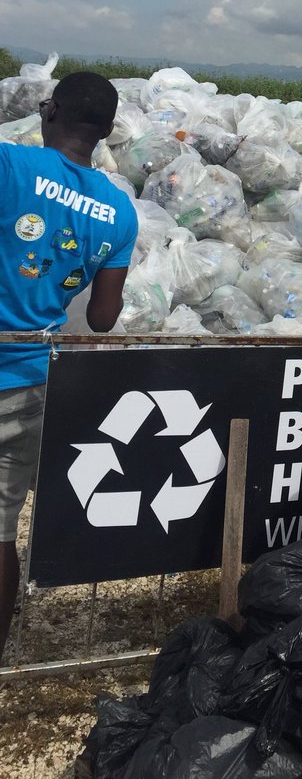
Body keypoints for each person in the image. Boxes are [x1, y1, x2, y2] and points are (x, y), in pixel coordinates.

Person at [0, 72, 138, 658]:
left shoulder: (10, 167)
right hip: (33, 374)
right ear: (106, 132)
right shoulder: (118, 211)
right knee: (3, 524)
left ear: (49, 112)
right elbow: (104, 318)